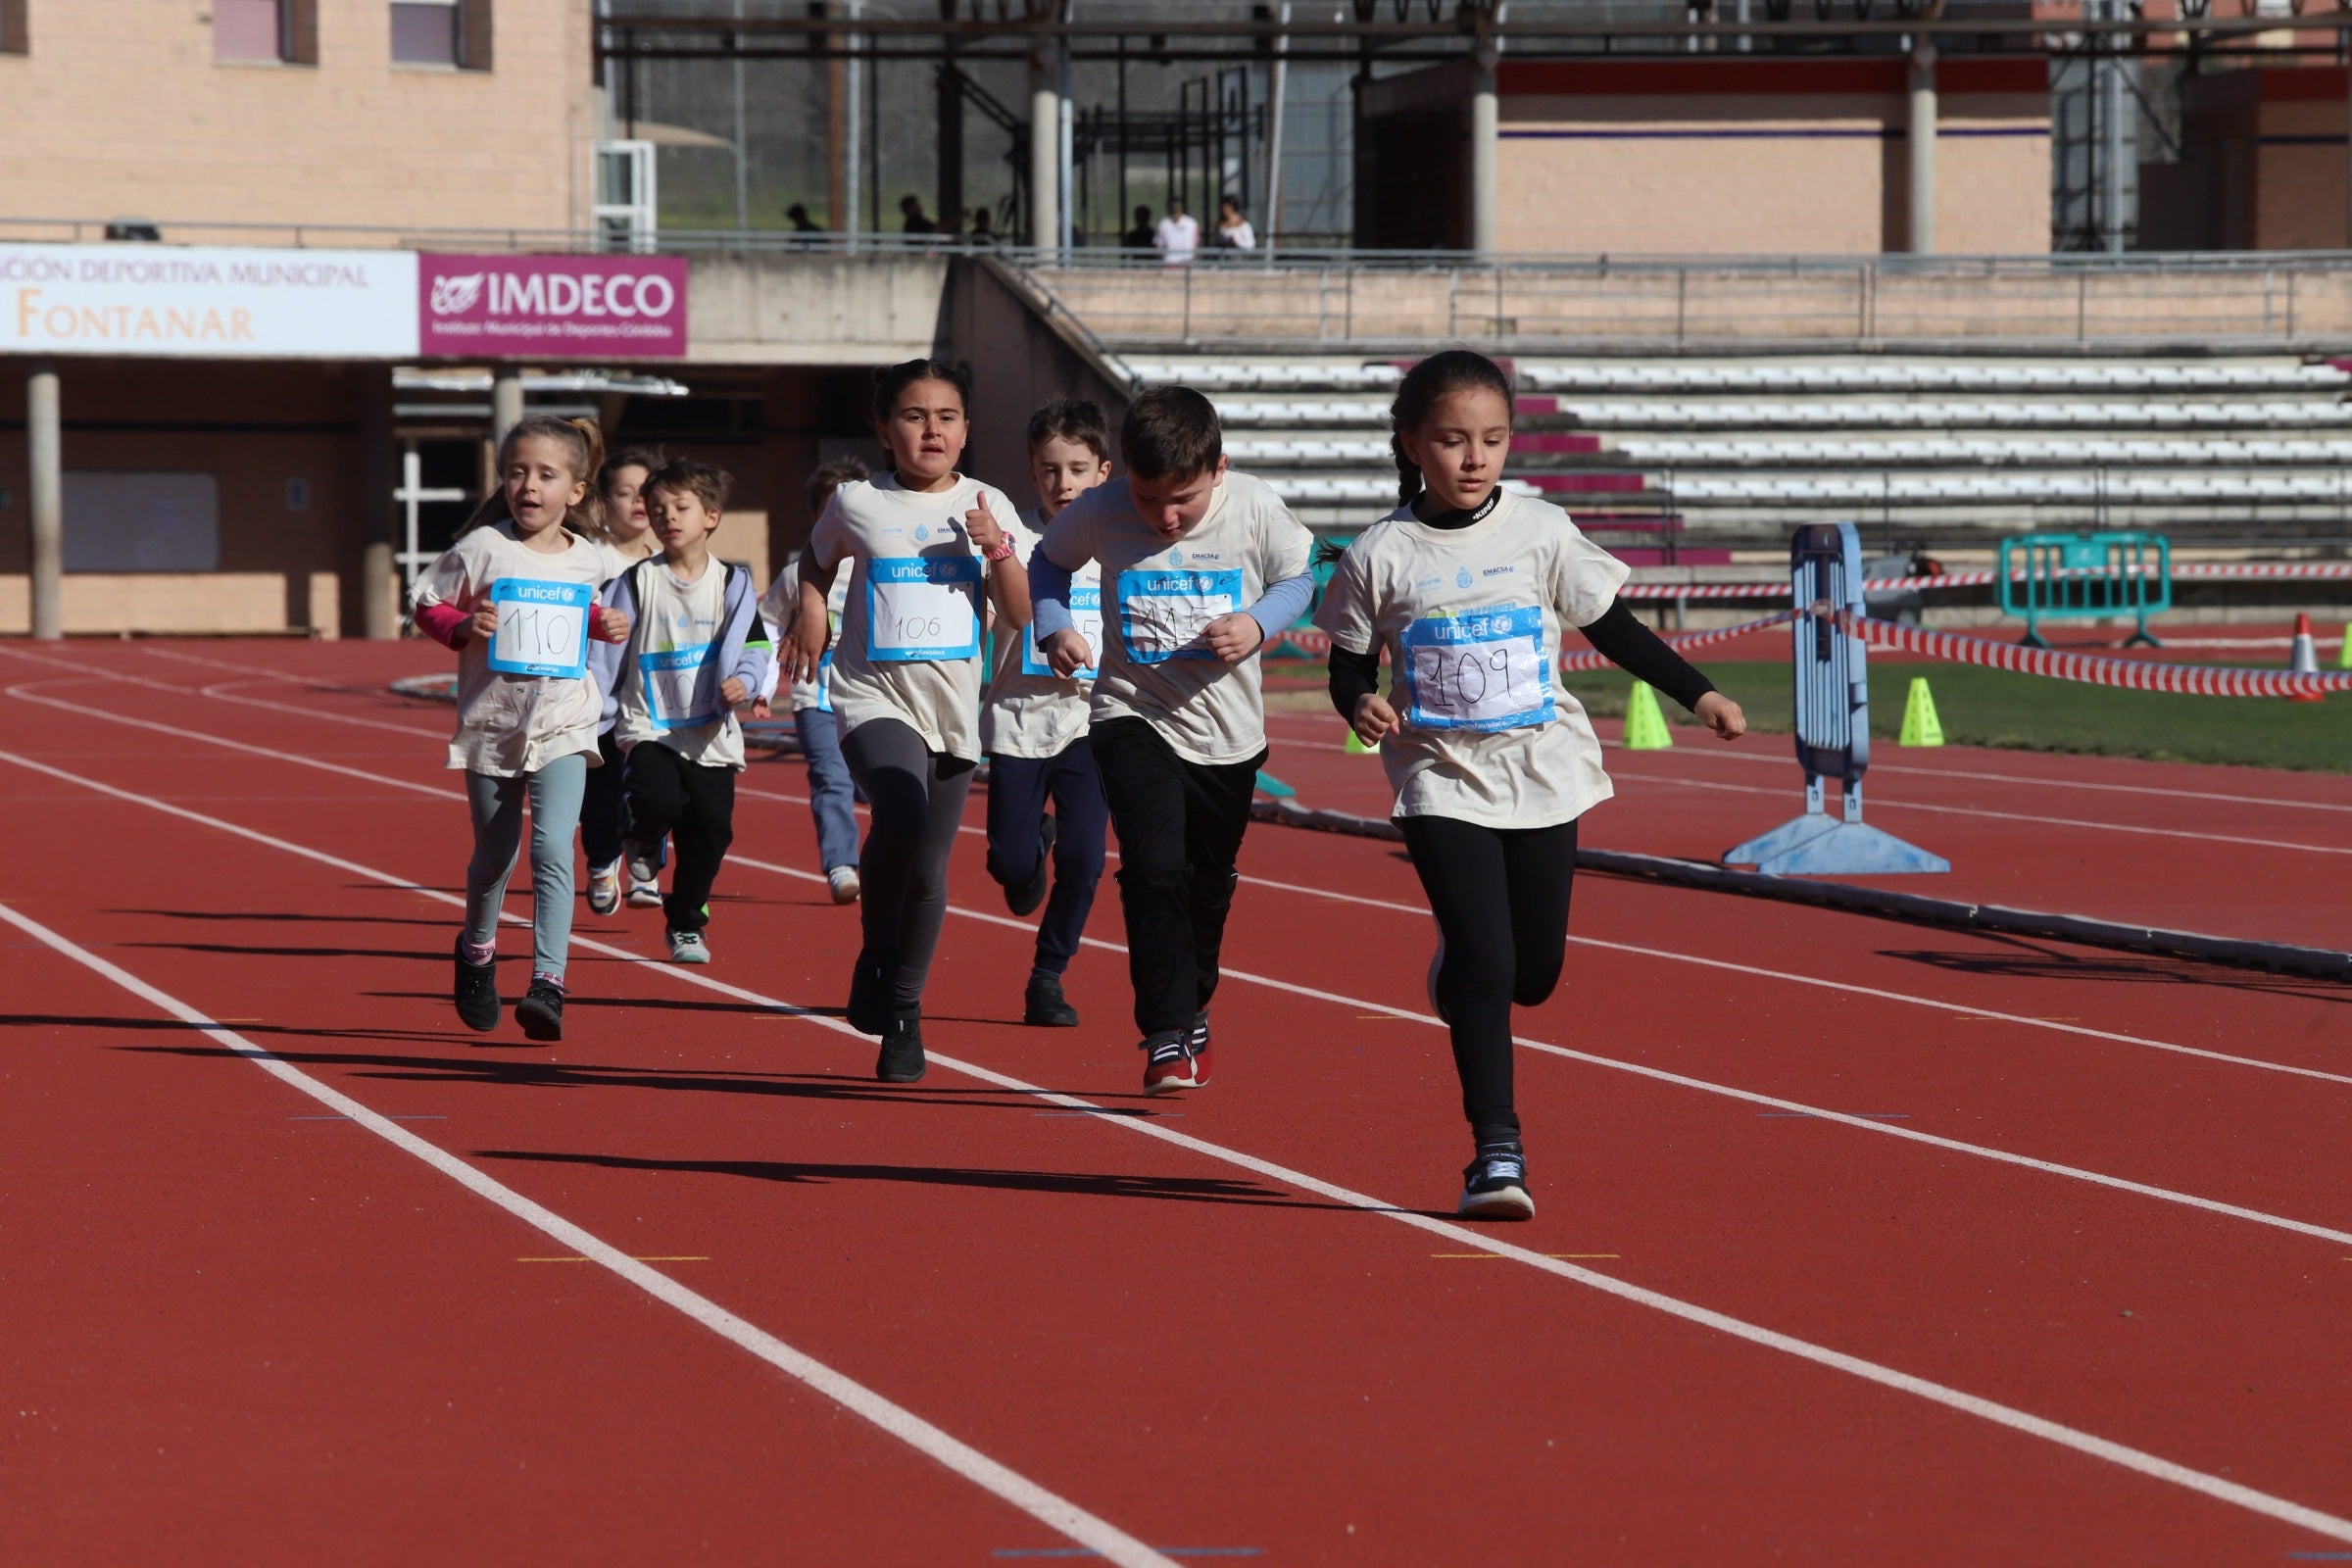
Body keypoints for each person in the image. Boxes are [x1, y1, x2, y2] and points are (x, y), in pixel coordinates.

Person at [1313, 350, 1749, 1221]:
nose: (1474, 459)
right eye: (1451, 441)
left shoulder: (1543, 530)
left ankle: (1462, 977)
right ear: (1410, 444)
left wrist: (1697, 692)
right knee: (1488, 958)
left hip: (1545, 769)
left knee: (1535, 972)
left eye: (1493, 440)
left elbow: (1617, 628)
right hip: (1443, 778)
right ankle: (1495, 1151)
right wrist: (1359, 704)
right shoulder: (1379, 554)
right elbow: (1347, 666)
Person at [1029, 387, 1315, 1096]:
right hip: (1133, 713)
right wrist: (1052, 624)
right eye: (1149, 498)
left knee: (1206, 886)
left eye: (1181, 499)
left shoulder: (1252, 504)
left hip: (1227, 734)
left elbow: (1308, 571)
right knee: (1154, 869)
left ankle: (1194, 1004)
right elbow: (1047, 563)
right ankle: (1165, 1032)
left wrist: (1256, 624)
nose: (1164, 517)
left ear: (1218, 468)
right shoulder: (1101, 508)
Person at [783, 361, 1029, 1084]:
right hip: (870, 697)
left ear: (966, 432)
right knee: (901, 808)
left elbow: (1015, 611)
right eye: (915, 417)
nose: (932, 429)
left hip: (953, 708)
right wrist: (811, 604)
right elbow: (815, 559)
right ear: (887, 433)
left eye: (946, 417)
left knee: (928, 867)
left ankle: (903, 1007)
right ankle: (880, 959)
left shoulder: (990, 503)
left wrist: (998, 547)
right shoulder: (858, 501)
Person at [412, 416, 632, 1044]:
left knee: (553, 848)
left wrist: (603, 624)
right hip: (494, 723)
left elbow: (576, 611)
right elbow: (425, 601)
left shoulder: (587, 557)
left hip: (564, 720)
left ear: (576, 491)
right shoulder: (483, 547)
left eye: (545, 475)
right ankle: (477, 955)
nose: (528, 486)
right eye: (516, 473)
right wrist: (461, 623)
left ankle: (548, 983)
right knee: (495, 857)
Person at [590, 459, 772, 965]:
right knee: (657, 799)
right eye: (657, 509)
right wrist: (592, 714)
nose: (668, 517)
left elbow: (756, 643)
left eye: (681, 507)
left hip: (710, 731)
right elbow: (605, 654)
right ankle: (643, 840)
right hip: (649, 722)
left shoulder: (733, 583)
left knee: (711, 830)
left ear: (710, 516)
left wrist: (746, 681)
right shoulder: (635, 582)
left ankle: (687, 923)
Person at [982, 400, 1114, 1029]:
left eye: (1078, 469)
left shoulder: (1123, 546)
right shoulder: (1014, 544)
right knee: (1010, 868)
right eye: (1049, 471)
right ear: (1032, 476)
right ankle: (1030, 842)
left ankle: (1048, 977)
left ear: (1104, 473)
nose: (1064, 484)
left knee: (1088, 858)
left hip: (1094, 725)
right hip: (1017, 720)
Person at [754, 458, 870, 905]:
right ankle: (842, 863)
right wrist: (763, 687)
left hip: (873, 698)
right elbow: (762, 629)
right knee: (830, 778)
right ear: (814, 517)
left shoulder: (877, 567)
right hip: (815, 697)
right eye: (828, 511)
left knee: (876, 782)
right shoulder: (795, 576)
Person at [583, 449, 666, 915]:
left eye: (646, 492)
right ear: (603, 500)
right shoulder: (592, 559)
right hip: (599, 699)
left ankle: (646, 869)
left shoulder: (670, 559)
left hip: (655, 698)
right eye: (625, 492)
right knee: (604, 794)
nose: (638, 501)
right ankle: (601, 861)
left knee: (658, 786)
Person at [1152, 197, 1200, 267]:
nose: (1175, 215)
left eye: (1177, 211)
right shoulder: (1163, 224)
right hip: (1169, 263)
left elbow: (1195, 243)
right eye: (1173, 211)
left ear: (1182, 210)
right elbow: (1159, 246)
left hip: (1187, 263)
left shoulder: (1191, 224)